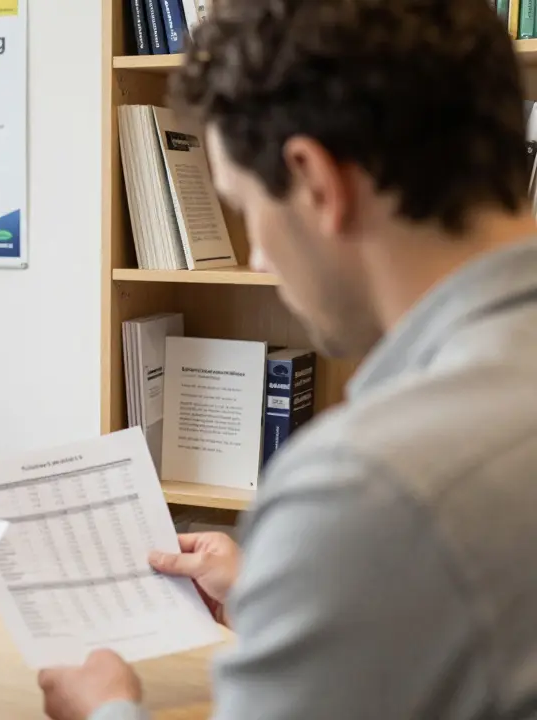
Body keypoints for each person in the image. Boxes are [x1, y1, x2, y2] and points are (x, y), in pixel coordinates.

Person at [40, 0, 537, 718]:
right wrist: (300, 595)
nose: (258, 255)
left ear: (314, 180)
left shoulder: (364, 486)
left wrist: (106, 711)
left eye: (246, 208)